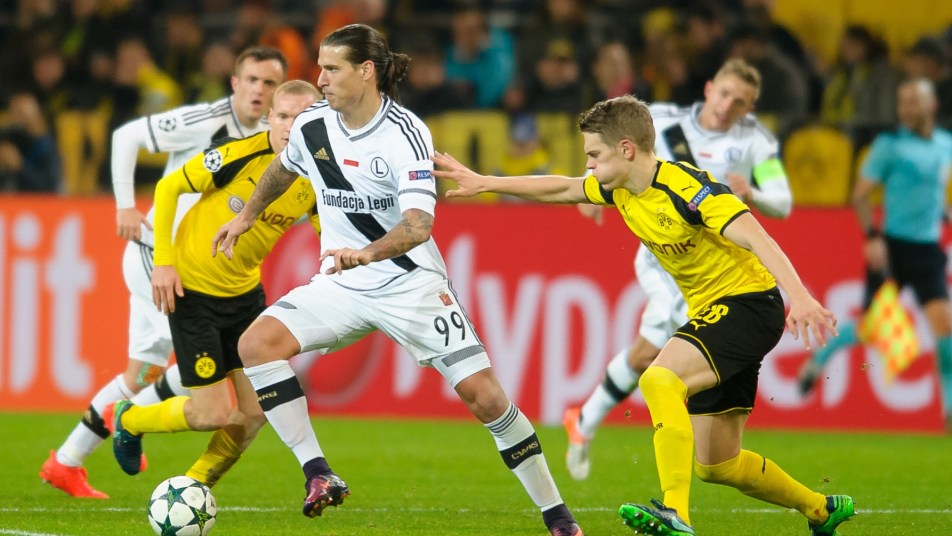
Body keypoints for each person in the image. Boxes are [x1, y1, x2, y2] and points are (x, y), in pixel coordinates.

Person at [212, 24, 583, 536]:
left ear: (366, 71)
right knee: (256, 345)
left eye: (332, 68)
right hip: (342, 282)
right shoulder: (313, 124)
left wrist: (366, 253)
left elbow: (418, 225)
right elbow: (284, 167)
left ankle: (559, 517)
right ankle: (318, 473)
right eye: (320, 67)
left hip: (410, 286)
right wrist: (247, 215)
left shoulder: (404, 133)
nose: (320, 79)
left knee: (486, 398)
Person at [431, 94, 855, 535]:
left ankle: (675, 514)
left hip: (748, 304)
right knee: (718, 464)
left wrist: (800, 297)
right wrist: (485, 182)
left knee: (658, 378)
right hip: (718, 312)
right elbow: (562, 187)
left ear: (627, 149)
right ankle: (821, 510)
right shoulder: (621, 189)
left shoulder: (689, 190)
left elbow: (756, 236)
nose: (589, 165)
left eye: (595, 154)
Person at [39, 46, 287, 499]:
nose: (259, 90)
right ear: (235, 83)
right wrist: (124, 205)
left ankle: (66, 463)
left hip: (190, 264)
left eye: (269, 83)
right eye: (251, 80)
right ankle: (129, 418)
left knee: (143, 374)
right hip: (161, 258)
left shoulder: (273, 140)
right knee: (203, 365)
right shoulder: (206, 120)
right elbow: (127, 136)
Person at [564, 58, 793, 481]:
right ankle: (671, 477)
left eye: (739, 102)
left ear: (749, 108)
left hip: (714, 262)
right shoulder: (665, 118)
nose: (727, 105)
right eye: (724, 93)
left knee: (649, 352)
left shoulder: (757, 144)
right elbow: (609, 138)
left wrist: (754, 192)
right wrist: (589, 183)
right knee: (667, 357)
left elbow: (782, 201)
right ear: (708, 89)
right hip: (661, 257)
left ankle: (585, 420)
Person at [105, 80, 322, 489]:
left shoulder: (317, 177)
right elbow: (169, 187)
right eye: (283, 116)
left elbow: (329, 237)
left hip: (245, 298)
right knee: (213, 414)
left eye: (302, 118)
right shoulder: (238, 154)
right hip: (193, 292)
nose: (291, 127)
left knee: (256, 411)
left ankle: (194, 487)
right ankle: (129, 418)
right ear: (269, 118)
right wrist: (163, 263)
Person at [797, 78, 952, 430]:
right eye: (902, 102)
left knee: (945, 329)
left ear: (931, 105)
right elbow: (860, 194)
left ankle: (949, 411)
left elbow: (933, 192)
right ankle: (819, 360)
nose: (905, 108)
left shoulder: (946, 145)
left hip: (928, 250)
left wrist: (943, 213)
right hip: (893, 248)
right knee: (872, 327)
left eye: (913, 101)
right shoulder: (889, 145)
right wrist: (871, 237)